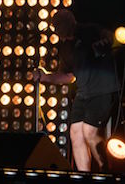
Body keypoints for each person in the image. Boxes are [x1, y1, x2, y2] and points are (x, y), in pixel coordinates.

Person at [34, 9, 119, 172]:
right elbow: (68, 76)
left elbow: (109, 35)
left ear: (71, 21)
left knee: (89, 132)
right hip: (83, 93)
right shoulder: (65, 48)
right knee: (75, 133)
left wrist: (105, 42)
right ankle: (83, 176)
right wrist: (45, 77)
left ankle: (105, 169)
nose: (59, 29)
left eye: (62, 24)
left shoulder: (89, 30)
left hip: (102, 90)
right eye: (57, 26)